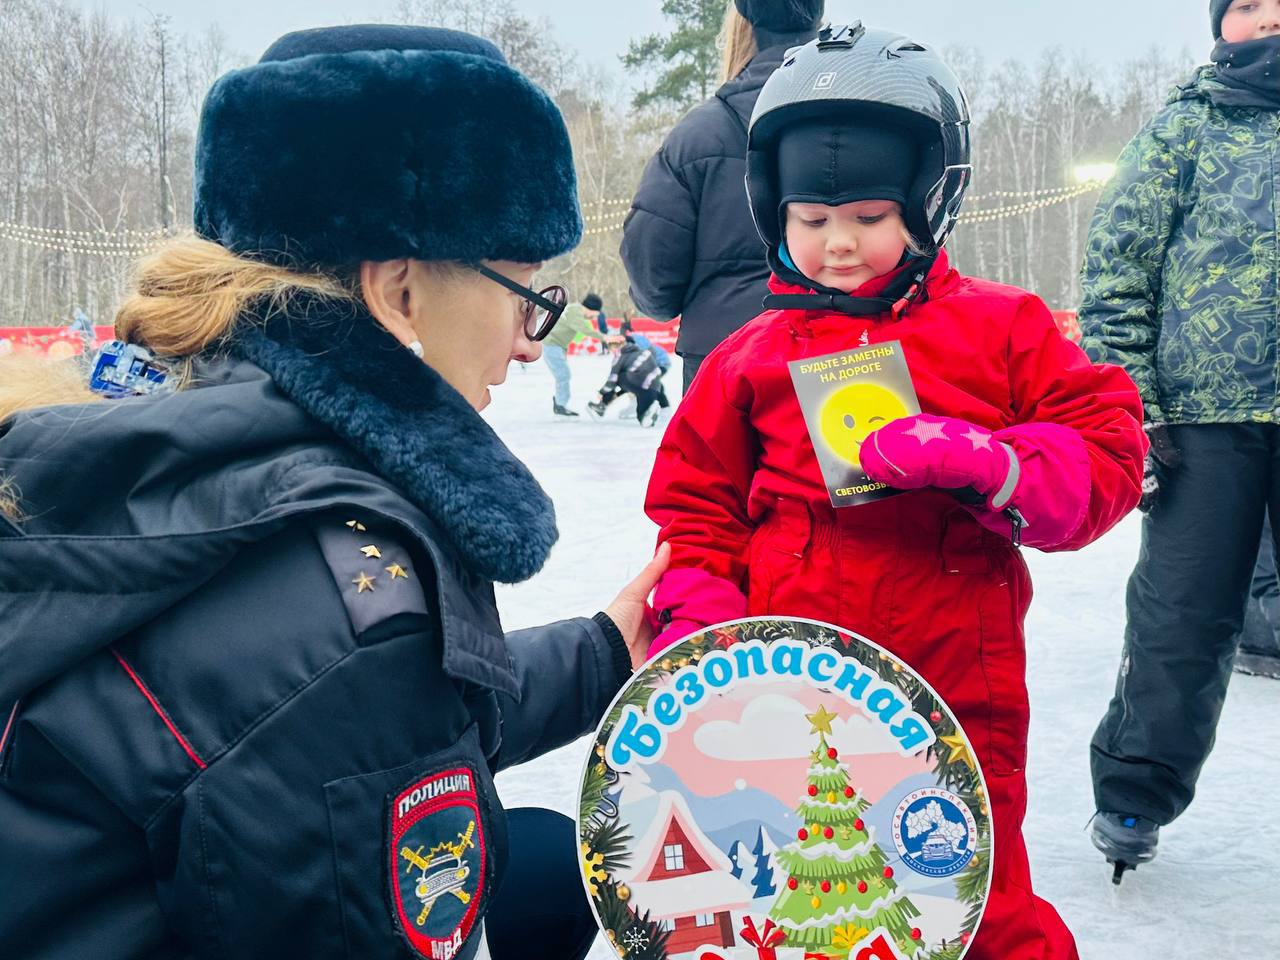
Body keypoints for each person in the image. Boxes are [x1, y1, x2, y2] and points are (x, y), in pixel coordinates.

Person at [0, 25, 668, 960]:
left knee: (550, 857)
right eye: (525, 296)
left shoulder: (182, 440)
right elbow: (345, 691)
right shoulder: (344, 612)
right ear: (399, 293)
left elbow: (381, 719)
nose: (530, 341)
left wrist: (603, 653)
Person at [643, 25, 1145, 959]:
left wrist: (997, 464)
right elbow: (696, 502)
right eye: (811, 219)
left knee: (970, 899)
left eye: (870, 217)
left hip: (953, 689)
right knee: (809, 898)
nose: (838, 245)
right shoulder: (751, 358)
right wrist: (701, 611)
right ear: (772, 215)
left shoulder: (1004, 330)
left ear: (929, 202)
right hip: (788, 695)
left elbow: (1107, 447)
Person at [1081, 0, 1280, 876]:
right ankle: (1135, 792)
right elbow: (1119, 266)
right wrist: (1137, 405)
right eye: (1247, 5)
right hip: (1204, 419)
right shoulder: (1185, 128)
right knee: (1182, 619)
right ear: (1220, 23)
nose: (1268, 19)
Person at [621, 0, 824, 394]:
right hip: (846, 347)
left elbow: (651, 264)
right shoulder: (865, 118)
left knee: (720, 459)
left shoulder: (699, 134)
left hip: (724, 358)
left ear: (741, 28)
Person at [541, 291, 612, 416]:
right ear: (590, 309)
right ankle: (560, 405)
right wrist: (604, 338)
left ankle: (559, 403)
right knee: (564, 375)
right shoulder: (576, 311)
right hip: (552, 345)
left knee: (563, 376)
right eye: (594, 314)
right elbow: (584, 330)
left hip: (556, 346)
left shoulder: (575, 310)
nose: (594, 317)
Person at [587, 333, 668, 427]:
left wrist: (602, 392)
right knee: (642, 414)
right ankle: (647, 412)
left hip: (640, 384)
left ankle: (601, 407)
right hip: (655, 387)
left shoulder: (620, 356)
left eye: (609, 348)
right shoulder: (642, 351)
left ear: (614, 346)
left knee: (620, 377)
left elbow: (612, 380)